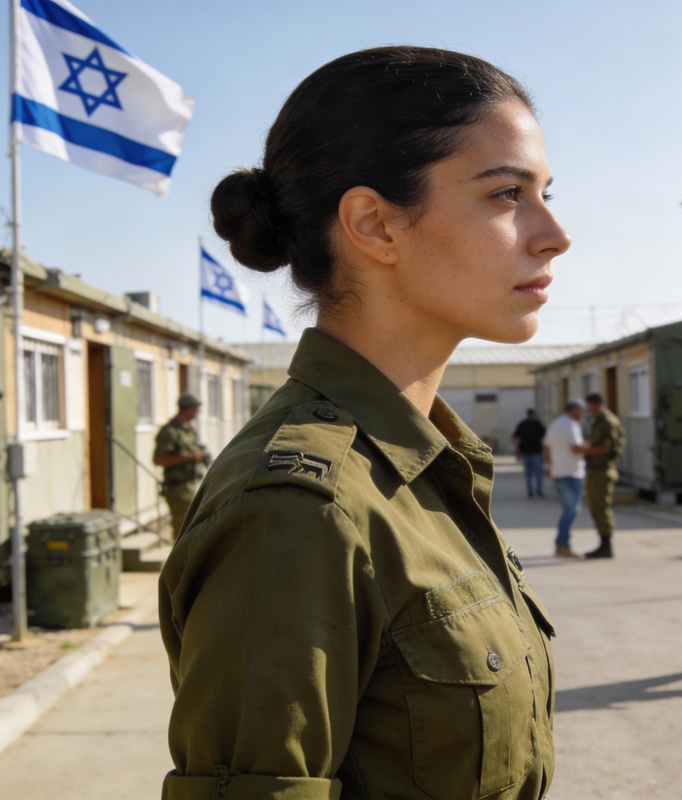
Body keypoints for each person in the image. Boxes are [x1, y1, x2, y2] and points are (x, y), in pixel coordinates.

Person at [159, 46, 571, 800]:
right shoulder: (300, 510)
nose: (554, 234)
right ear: (375, 225)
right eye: (508, 195)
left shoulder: (423, 468)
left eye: (544, 193)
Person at [153, 394, 208, 540]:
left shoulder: (188, 429)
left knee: (194, 530)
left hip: (191, 485)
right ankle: (179, 563)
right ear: (187, 409)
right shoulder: (170, 431)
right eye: (195, 408)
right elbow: (159, 459)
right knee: (182, 533)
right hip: (178, 489)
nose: (198, 412)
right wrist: (190, 457)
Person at [583, 392, 626, 559]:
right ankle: (603, 544)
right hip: (595, 470)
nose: (588, 410)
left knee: (601, 508)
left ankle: (606, 546)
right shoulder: (599, 421)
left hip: (602, 470)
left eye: (589, 406)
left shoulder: (607, 422)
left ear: (596, 404)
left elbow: (606, 448)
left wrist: (583, 450)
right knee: (596, 508)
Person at [543, 400, 587, 558]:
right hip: (572, 473)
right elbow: (575, 448)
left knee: (569, 510)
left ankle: (562, 544)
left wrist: (550, 466)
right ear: (574, 410)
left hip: (560, 472)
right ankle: (563, 545)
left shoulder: (555, 424)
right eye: (581, 411)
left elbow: (546, 447)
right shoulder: (571, 425)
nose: (582, 414)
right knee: (572, 510)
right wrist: (594, 448)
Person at [513, 408, 546, 497]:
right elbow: (517, 438)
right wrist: (517, 450)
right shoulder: (523, 425)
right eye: (530, 414)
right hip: (526, 452)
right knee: (528, 473)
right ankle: (530, 491)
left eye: (532, 414)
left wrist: (544, 450)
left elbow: (543, 438)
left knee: (538, 473)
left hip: (537, 452)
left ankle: (539, 490)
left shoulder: (538, 425)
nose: (531, 416)